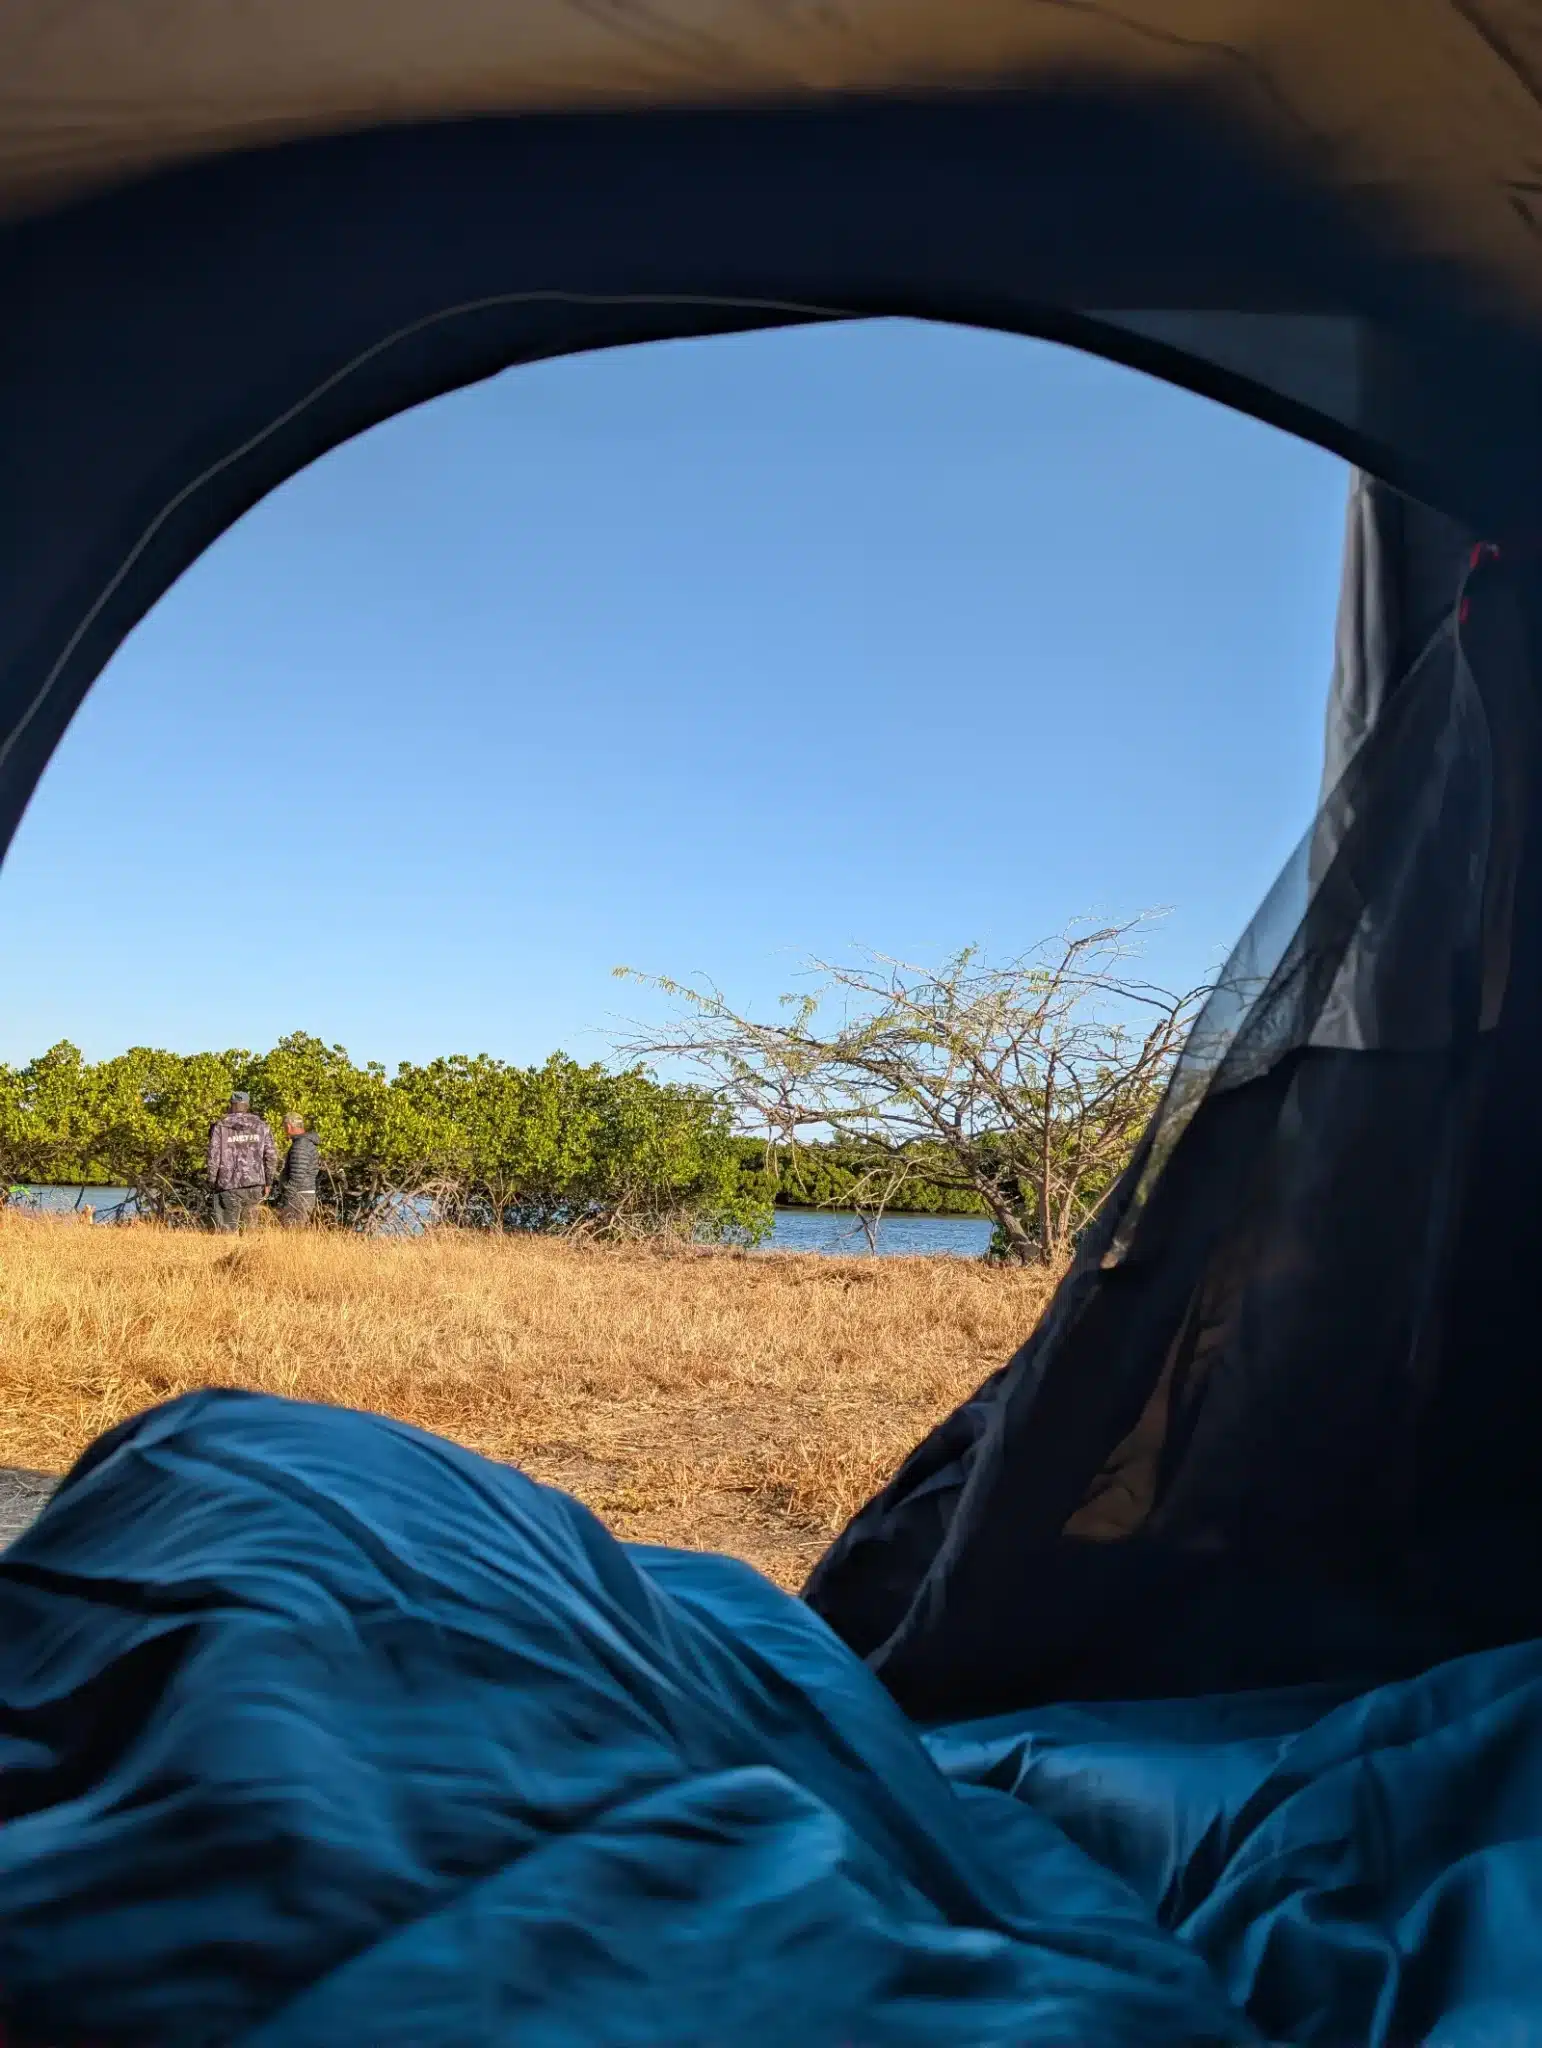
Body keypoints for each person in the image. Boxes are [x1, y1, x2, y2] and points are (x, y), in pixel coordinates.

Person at [206, 1092, 276, 1233]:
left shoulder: (220, 1126)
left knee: (227, 1232)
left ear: (231, 1105)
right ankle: (249, 1255)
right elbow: (271, 1156)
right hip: (255, 1184)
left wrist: (212, 1182)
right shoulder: (262, 1126)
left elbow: (213, 1156)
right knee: (250, 1231)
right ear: (247, 1105)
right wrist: (268, 1182)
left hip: (227, 1186)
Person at [275, 1114, 320, 1228]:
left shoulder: (300, 1146)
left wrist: (286, 1198)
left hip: (298, 1197)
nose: (284, 1130)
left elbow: (297, 1176)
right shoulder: (304, 1143)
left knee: (290, 1235)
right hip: (303, 1195)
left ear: (289, 1126)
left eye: (284, 1127)